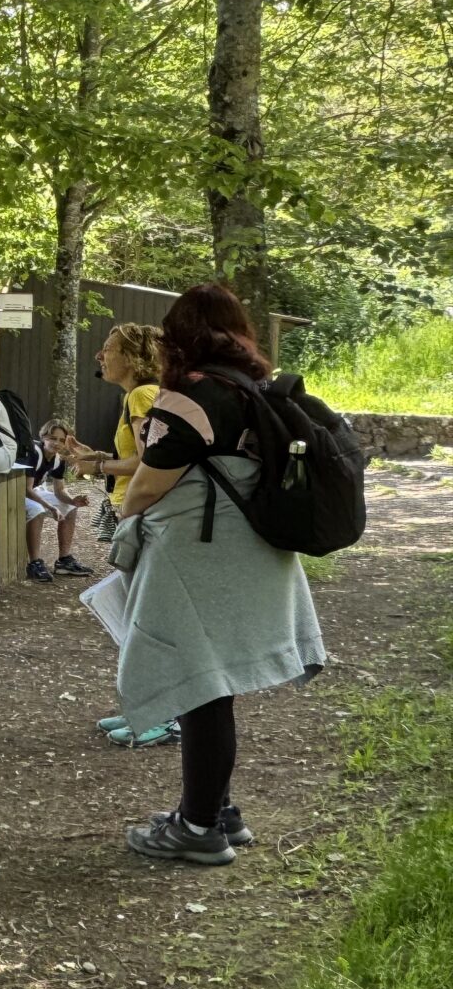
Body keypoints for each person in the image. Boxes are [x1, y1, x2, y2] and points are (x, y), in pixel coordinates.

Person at [111, 283, 325, 865]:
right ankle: (217, 811)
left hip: (198, 555)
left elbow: (146, 487)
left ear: (182, 336)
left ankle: (200, 826)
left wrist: (126, 518)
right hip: (250, 548)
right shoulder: (255, 389)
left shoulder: (192, 397)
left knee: (199, 683)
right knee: (215, 683)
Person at [62, 323, 165, 543]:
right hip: (142, 509)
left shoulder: (141, 395)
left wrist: (97, 467)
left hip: (141, 511)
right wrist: (97, 455)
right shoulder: (141, 394)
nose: (98, 356)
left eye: (107, 349)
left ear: (131, 357)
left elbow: (148, 462)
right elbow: (145, 454)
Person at [23, 422, 92, 583]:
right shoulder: (34, 453)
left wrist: (72, 500)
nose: (57, 443)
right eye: (53, 438)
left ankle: (64, 560)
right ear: (43, 438)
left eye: (62, 440)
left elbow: (59, 490)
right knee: (37, 509)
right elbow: (26, 490)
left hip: (34, 490)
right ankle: (34, 562)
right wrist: (50, 507)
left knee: (70, 508)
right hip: (15, 491)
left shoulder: (58, 459)